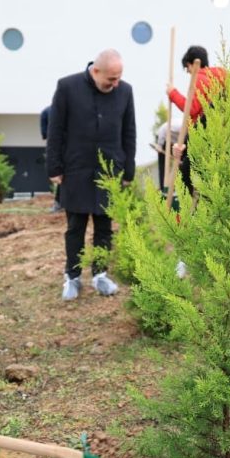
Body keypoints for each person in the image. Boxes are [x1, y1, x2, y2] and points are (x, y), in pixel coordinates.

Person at [47, 48, 135, 300]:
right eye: (111, 79)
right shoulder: (67, 87)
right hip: (76, 169)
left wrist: (127, 170)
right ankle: (72, 278)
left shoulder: (125, 91)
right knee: (75, 227)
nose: (115, 84)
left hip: (110, 170)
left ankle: (100, 275)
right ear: (95, 71)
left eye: (118, 78)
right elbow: (56, 130)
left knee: (104, 227)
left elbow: (129, 132)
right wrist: (54, 168)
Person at [166, 45, 227, 195]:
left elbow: (192, 109)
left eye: (187, 69)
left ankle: (186, 209)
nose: (189, 73)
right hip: (222, 132)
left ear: (192, 64)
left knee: (186, 172)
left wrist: (172, 93)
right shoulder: (222, 75)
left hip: (201, 133)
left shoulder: (199, 78)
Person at [40, 105, 61, 212]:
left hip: (54, 148)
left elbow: (44, 135)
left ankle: (59, 205)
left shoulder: (46, 111)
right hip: (73, 148)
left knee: (60, 178)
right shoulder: (74, 108)